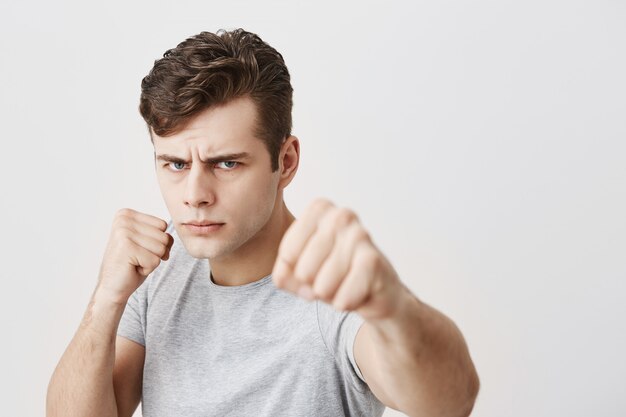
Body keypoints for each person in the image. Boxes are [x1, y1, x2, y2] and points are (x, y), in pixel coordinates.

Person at [46, 28, 479, 417]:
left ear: (285, 161)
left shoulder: (327, 284)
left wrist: (393, 307)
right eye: (175, 164)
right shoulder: (160, 271)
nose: (195, 194)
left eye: (227, 163)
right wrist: (105, 302)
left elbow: (449, 401)